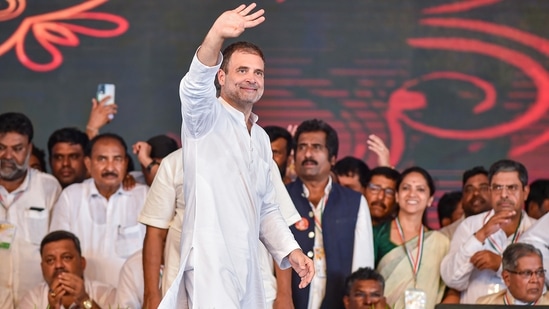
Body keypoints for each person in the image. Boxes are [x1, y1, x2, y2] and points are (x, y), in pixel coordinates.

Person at [159, 4, 313, 308]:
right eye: (242, 70)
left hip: (248, 266)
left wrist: (291, 251)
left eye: (258, 72)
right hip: (210, 262)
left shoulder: (261, 137)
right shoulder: (204, 117)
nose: (251, 78)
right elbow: (193, 88)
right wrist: (216, 35)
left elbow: (267, 206)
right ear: (221, 76)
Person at [277, 119, 374, 309]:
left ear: (333, 158)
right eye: (302, 147)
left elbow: (362, 264)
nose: (308, 154)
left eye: (317, 147)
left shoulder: (354, 201)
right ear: (293, 155)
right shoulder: (279, 196)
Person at [49, 133, 148, 287]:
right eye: (102, 159)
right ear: (88, 163)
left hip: (133, 299)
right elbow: (56, 250)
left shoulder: (144, 196)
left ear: (126, 163)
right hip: (82, 296)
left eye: (117, 159)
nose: (110, 167)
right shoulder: (71, 196)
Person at [440, 159, 537, 304]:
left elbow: (543, 284)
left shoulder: (538, 231)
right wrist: (480, 236)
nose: (504, 194)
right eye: (498, 188)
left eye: (512, 187)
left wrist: (501, 266)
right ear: (491, 191)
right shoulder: (470, 226)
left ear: (525, 192)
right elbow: (452, 279)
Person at [0, 112, 62, 308]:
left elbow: (59, 246)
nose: (7, 156)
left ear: (29, 149)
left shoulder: (48, 187)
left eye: (17, 149)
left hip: (38, 301)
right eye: (1, 148)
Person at [374, 166, 449, 309]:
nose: (412, 194)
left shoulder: (440, 242)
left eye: (420, 189)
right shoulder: (376, 234)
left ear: (430, 199)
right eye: (406, 188)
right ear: (397, 196)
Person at [19, 230, 117, 309]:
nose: (58, 265)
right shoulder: (32, 299)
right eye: (50, 260)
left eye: (66, 257)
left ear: (82, 263)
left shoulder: (107, 294)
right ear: (42, 268)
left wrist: (84, 300)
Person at [477, 243, 549, 305]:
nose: (535, 280)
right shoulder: (485, 304)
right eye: (527, 273)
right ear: (507, 278)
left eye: (540, 272)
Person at [438, 166, 491, 240]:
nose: (476, 193)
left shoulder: (507, 228)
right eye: (469, 189)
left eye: (483, 188)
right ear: (462, 197)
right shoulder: (445, 235)